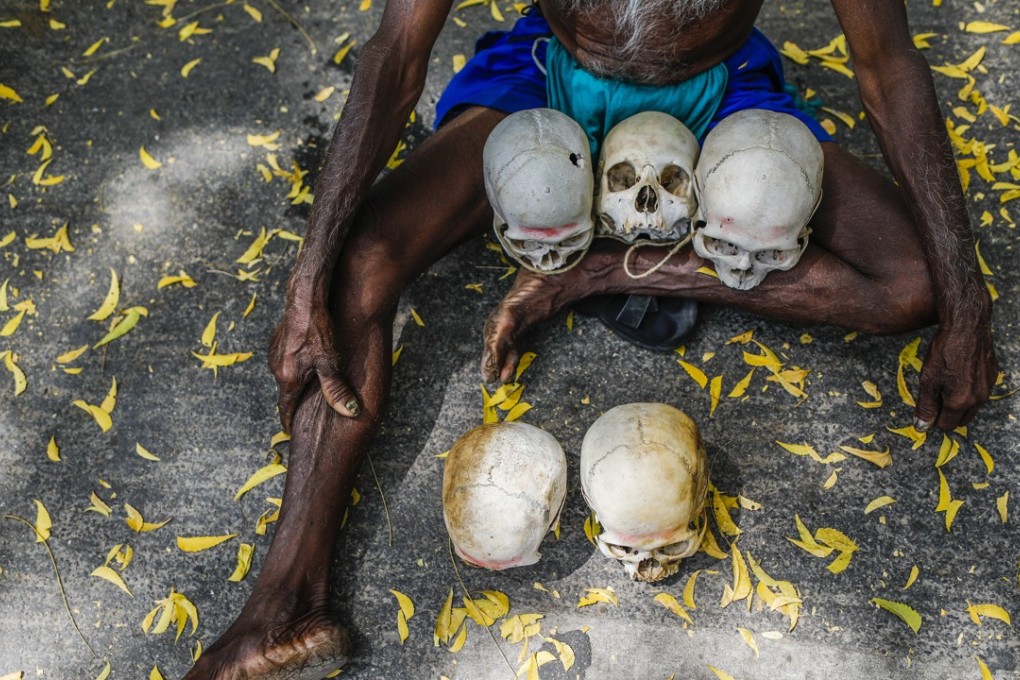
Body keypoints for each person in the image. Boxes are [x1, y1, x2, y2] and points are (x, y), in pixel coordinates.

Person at [184, 0, 999, 676]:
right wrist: (308, 276)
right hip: (546, 80)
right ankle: (285, 601)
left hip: (718, 91)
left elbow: (888, 70)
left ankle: (600, 269)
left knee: (910, 281)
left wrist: (966, 306)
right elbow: (397, 53)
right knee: (357, 269)